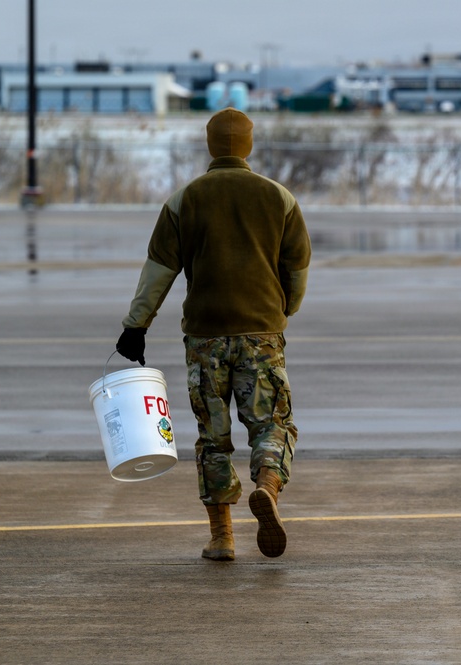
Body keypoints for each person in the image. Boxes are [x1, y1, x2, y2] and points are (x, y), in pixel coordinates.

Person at [115, 108, 311, 561]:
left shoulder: (184, 200)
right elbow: (297, 270)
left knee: (213, 435)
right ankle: (266, 486)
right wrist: (282, 310)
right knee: (271, 423)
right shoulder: (278, 199)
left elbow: (157, 273)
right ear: (248, 144)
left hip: (204, 339)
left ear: (210, 145)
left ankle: (222, 536)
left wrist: (135, 326)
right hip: (260, 333)